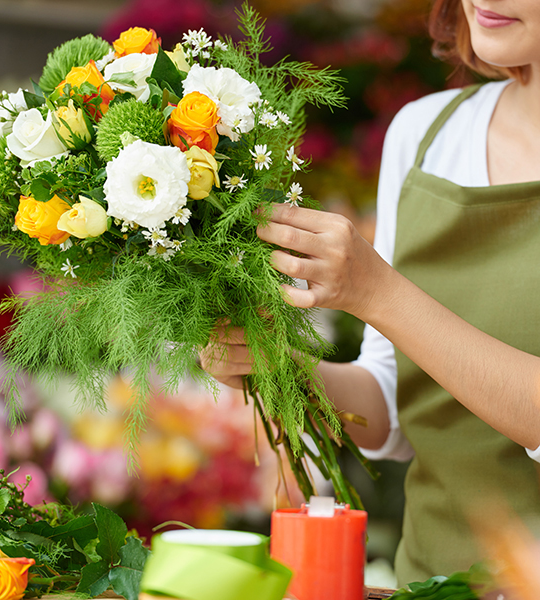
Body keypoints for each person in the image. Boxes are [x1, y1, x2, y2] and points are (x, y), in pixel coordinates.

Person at [200, 0, 540, 586]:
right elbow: (390, 408)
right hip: (430, 585)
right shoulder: (427, 134)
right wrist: (281, 368)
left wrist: (376, 292)